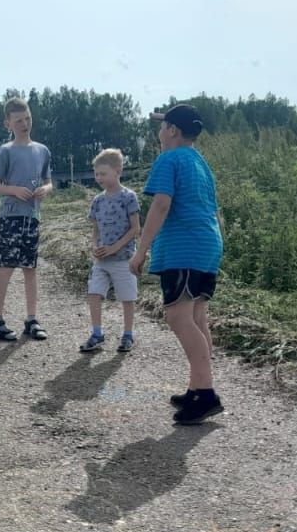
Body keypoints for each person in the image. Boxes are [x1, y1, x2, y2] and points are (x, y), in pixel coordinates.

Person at [129, 103, 224, 425]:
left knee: (177, 316)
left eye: (161, 127)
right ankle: (197, 389)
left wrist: (142, 249)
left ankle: (207, 392)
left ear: (172, 130)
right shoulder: (201, 163)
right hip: (207, 245)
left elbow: (161, 203)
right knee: (197, 316)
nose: (158, 133)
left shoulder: (168, 159)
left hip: (184, 247)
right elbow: (212, 209)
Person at [0, 96, 53, 342]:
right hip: (10, 217)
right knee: (7, 267)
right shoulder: (6, 151)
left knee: (30, 268)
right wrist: (14, 189)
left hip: (32, 217)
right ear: (8, 124)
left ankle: (31, 319)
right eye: (19, 120)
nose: (25, 124)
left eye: (27, 119)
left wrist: (46, 190)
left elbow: (48, 181)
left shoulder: (42, 150)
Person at [80, 149, 142, 354]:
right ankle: (97, 333)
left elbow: (135, 228)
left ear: (117, 171)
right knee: (94, 293)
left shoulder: (128, 197)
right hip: (101, 260)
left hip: (123, 259)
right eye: (97, 174)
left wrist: (115, 247)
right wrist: (94, 245)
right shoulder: (98, 200)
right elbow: (95, 228)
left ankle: (128, 334)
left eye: (103, 174)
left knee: (127, 297)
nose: (99, 178)